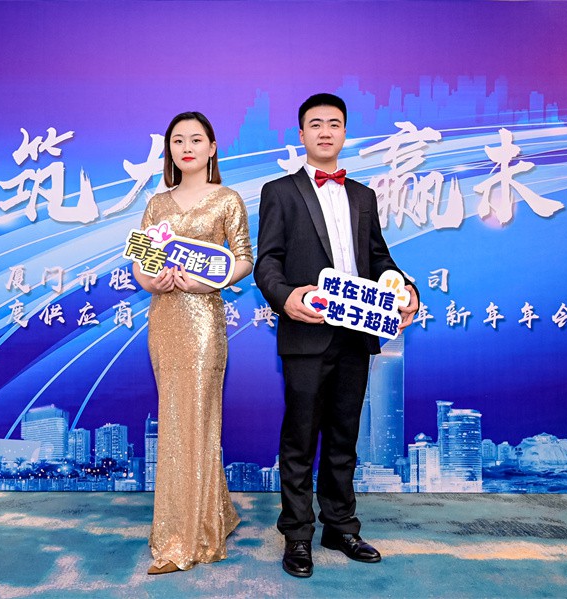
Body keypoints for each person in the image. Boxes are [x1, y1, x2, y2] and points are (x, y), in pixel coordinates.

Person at [254, 93, 419, 578]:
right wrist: (286, 297)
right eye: (315, 124)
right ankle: (297, 535)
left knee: (345, 437)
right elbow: (267, 261)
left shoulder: (363, 196)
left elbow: (380, 258)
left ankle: (340, 526)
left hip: (357, 334)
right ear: (301, 134)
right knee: (300, 438)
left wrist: (406, 290)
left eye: (334, 123)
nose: (325, 131)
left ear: (345, 133)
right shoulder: (279, 191)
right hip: (306, 333)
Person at [133, 111, 253, 575]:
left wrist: (209, 283)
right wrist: (153, 281)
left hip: (204, 321)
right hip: (164, 320)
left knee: (197, 420)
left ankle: (186, 539)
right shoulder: (157, 204)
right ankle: (208, 515)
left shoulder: (227, 200)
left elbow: (244, 259)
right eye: (178, 140)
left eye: (196, 139)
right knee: (175, 420)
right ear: (169, 150)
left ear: (212, 147)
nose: (187, 147)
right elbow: (140, 263)